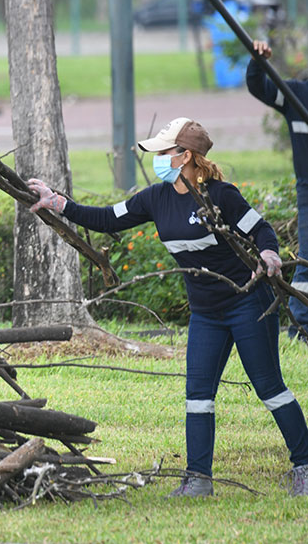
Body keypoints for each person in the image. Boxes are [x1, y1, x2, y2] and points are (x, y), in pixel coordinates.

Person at [28, 117, 308, 497]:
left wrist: (270, 254)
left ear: (186, 155)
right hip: (206, 313)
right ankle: (198, 479)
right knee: (197, 395)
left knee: (269, 387)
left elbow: (262, 230)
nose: (158, 158)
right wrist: (60, 203)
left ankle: (304, 466)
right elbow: (108, 218)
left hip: (248, 304)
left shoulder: (221, 195)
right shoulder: (154, 198)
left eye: (164, 152)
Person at [246, 39, 308, 339]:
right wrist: (258, 61)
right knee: (307, 260)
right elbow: (259, 87)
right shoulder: (296, 95)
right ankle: (301, 329)